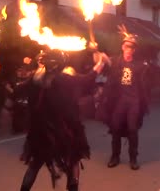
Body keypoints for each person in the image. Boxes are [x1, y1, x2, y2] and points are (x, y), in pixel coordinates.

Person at [17, 49, 107, 191]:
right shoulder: (64, 79)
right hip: (64, 131)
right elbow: (88, 79)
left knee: (35, 164)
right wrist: (101, 62)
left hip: (41, 131)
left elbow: (19, 90)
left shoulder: (35, 78)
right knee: (73, 159)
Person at [104, 25, 150, 170]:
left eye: (132, 47)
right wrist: (95, 51)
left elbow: (147, 80)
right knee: (115, 128)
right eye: (126, 46)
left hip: (134, 101)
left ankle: (133, 158)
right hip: (119, 101)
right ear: (123, 47)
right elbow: (100, 59)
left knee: (132, 129)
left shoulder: (140, 65)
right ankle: (115, 156)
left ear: (134, 50)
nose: (129, 49)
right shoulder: (115, 62)